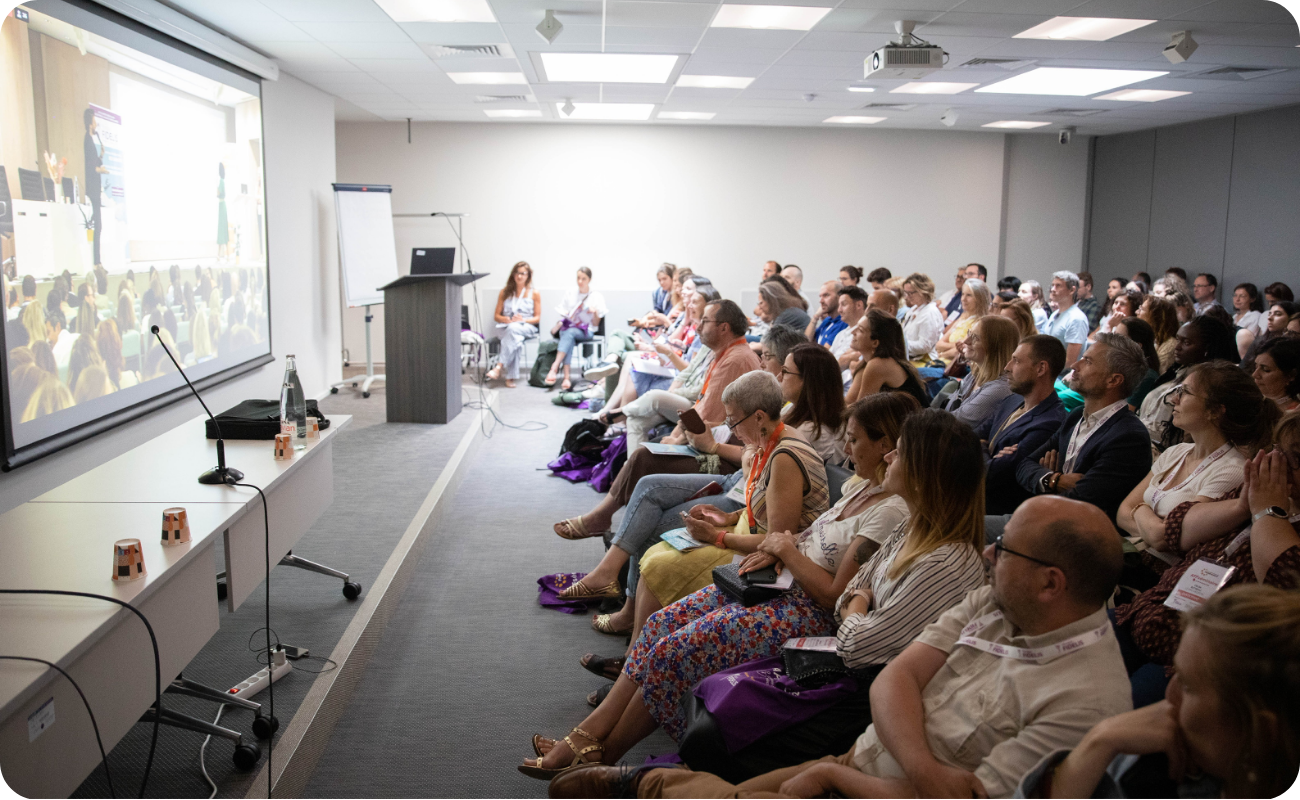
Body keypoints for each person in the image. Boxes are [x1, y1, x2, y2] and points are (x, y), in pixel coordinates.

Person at [562, 496, 1130, 800]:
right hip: (860, 761)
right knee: (676, 628)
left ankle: (644, 784)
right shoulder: (996, 603)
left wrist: (843, 780)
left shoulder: (1085, 700)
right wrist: (877, 768)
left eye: (1006, 550)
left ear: (1052, 582)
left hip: (871, 785)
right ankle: (627, 772)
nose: (989, 555)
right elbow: (896, 680)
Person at [524, 395, 917, 782]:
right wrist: (773, 548)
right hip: (779, 583)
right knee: (661, 623)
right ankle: (592, 733)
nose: (846, 448)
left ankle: (603, 754)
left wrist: (777, 549)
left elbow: (833, 597)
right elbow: (803, 537)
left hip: (806, 612)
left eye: (854, 439)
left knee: (673, 651)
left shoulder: (887, 510)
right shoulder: (861, 488)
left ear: (886, 446)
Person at [676, 407, 989, 782]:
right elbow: (848, 601)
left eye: (899, 452)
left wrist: (858, 601)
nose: (889, 457)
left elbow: (856, 641)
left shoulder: (943, 562)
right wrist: (859, 603)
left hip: (871, 697)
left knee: (713, 729)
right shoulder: (912, 527)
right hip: (849, 663)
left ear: (923, 476)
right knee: (703, 683)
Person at [1017, 584, 1300, 800]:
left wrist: (1094, 746)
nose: (1169, 697)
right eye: (1174, 674)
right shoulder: (1155, 757)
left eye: (1188, 685)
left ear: (1260, 734)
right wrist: (1099, 741)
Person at [1111, 414, 1300, 708]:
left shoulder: (1270, 503)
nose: (1276, 460)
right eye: (1276, 448)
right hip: (1148, 613)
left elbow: (1279, 580)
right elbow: (1177, 531)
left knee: (1117, 707)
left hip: (1194, 656)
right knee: (1067, 661)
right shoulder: (1254, 492)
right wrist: (1242, 505)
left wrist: (1268, 511)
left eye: (1291, 457)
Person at [552, 300, 758, 541]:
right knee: (648, 448)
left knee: (644, 456)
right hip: (711, 443)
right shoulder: (726, 355)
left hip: (722, 459)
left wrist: (677, 438)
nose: (699, 326)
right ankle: (606, 517)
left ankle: (602, 517)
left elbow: (708, 421)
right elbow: (702, 407)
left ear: (724, 328)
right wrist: (677, 434)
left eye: (705, 321)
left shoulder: (735, 360)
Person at [1118, 361, 1278, 563]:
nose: (1174, 399)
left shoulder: (1233, 470)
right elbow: (1122, 512)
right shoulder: (1176, 452)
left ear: (1215, 411)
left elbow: (1163, 538)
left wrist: (1140, 509)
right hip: (1134, 554)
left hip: (1160, 572)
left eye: (1185, 393)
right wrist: (1148, 519)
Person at [999, 334, 1152, 531]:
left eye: (1087, 361)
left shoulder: (1129, 437)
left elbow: (1083, 499)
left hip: (1074, 534)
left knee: (965, 532)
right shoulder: (1076, 415)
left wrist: (1043, 486)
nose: (1075, 365)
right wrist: (1054, 480)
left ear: (1113, 380)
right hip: (1044, 519)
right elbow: (1024, 465)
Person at [976, 335, 1068, 515]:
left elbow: (992, 475)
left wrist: (982, 445)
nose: (1007, 367)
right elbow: (971, 436)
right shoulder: (1012, 400)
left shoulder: (1051, 422)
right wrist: (986, 450)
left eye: (1016, 361)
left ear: (1041, 368)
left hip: (995, 509)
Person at [1139, 316, 1238, 452]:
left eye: (1186, 342)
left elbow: (1185, 436)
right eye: (1178, 339)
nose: (1177, 347)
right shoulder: (1176, 372)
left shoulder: (1209, 384)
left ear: (1207, 348)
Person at [941, 315, 1018, 427]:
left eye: (975, 337)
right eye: (969, 333)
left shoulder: (999, 389)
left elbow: (952, 423)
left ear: (994, 347)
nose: (966, 341)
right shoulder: (975, 375)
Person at [844, 310, 929, 408]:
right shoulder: (865, 364)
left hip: (917, 422)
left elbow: (859, 412)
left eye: (860, 330)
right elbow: (848, 402)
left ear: (875, 343)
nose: (853, 332)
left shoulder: (879, 365)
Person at [779, 343, 847, 464]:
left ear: (807, 380)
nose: (779, 377)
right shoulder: (792, 407)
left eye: (785, 371)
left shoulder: (811, 431)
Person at [545, 267, 606, 390]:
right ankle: (566, 378)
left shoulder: (596, 296)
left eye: (583, 278)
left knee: (568, 332)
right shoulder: (570, 293)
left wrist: (594, 313)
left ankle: (555, 367)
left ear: (589, 279)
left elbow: (596, 324)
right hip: (570, 329)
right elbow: (563, 311)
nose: (580, 281)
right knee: (568, 333)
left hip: (587, 331)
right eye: (578, 278)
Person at [486, 261, 541, 387]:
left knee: (513, 331)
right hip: (507, 327)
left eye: (523, 273)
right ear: (513, 275)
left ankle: (498, 368)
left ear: (528, 276)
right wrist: (505, 319)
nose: (519, 276)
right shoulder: (504, 292)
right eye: (517, 273)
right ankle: (510, 377)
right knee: (516, 339)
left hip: (527, 326)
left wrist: (523, 320)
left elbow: (537, 318)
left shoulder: (535, 293)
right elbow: (496, 316)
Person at [934, 277, 990, 363]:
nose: (963, 299)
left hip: (957, 366)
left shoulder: (981, 322)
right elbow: (938, 345)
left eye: (969, 295)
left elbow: (962, 350)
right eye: (963, 294)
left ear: (980, 298)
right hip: (943, 361)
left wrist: (942, 354)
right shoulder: (963, 317)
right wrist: (954, 346)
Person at [1112, 316, 1160, 410]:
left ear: (1137, 346)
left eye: (1119, 337)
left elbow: (1125, 411)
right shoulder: (1119, 365)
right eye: (1113, 335)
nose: (1112, 341)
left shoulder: (1146, 376)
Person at [1044, 271, 1090, 369]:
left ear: (1072, 290)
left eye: (1058, 286)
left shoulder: (1076, 318)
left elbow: (1070, 362)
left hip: (1062, 377)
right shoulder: (1055, 314)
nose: (1052, 289)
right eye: (1052, 285)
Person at [1241, 300, 1299, 372]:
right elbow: (1243, 369)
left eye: (1277, 314)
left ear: (1292, 318)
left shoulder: (1294, 346)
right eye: (1269, 314)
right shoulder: (1260, 341)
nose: (1269, 318)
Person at [899, 273, 943, 365]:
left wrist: (899, 344)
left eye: (911, 293)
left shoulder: (930, 313)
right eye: (906, 293)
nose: (907, 297)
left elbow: (925, 346)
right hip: (911, 358)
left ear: (923, 291)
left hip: (923, 361)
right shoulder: (914, 309)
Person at [1252, 336, 1300, 412]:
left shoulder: (1293, 416)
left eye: (1266, 370)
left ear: (1291, 375)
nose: (1255, 374)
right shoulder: (1248, 399)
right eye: (1255, 367)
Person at [828, 286, 868, 366]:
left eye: (843, 304)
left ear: (858, 305)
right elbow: (828, 363)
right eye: (839, 305)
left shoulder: (867, 333)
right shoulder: (840, 335)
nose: (839, 310)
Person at [804, 280, 845, 346]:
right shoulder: (827, 320)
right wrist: (815, 317)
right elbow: (806, 341)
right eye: (820, 296)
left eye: (826, 295)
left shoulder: (843, 322)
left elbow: (825, 352)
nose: (821, 301)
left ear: (840, 296)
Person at [1230, 282, 1264, 358]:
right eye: (1235, 295)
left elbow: (1249, 340)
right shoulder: (1234, 316)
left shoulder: (1255, 315)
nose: (1237, 299)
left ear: (1252, 299)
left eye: (1242, 296)